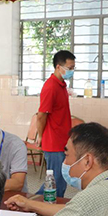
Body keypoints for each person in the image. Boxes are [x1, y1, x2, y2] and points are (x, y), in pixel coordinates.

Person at [37, 50, 76, 198]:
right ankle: (36, 205)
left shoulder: (61, 85)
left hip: (62, 141)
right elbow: (41, 116)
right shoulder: (50, 87)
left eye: (73, 68)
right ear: (58, 67)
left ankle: (44, 206)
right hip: (53, 143)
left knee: (59, 180)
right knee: (56, 181)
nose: (71, 71)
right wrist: (41, 136)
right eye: (69, 68)